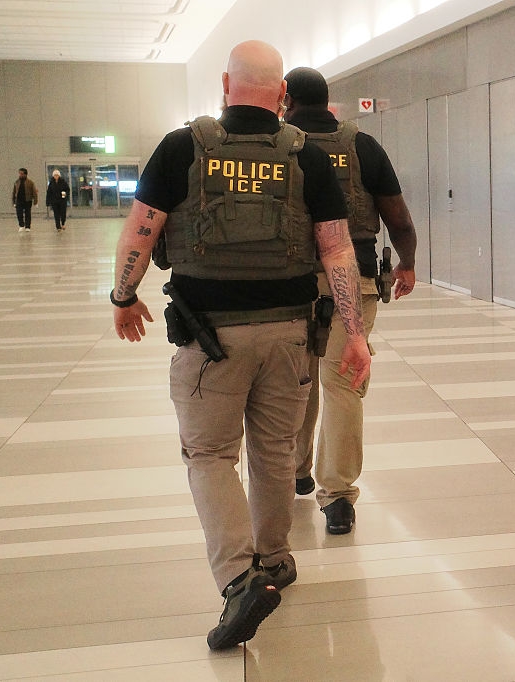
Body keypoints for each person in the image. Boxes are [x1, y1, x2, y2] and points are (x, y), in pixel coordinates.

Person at [109, 40, 371, 650]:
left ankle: (237, 579)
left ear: (226, 84)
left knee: (209, 455)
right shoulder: (304, 155)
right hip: (290, 333)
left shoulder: (183, 148)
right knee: (276, 452)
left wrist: (125, 295)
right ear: (280, 94)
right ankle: (275, 559)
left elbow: (142, 228)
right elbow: (337, 248)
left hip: (211, 338)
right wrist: (353, 333)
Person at [283, 66, 418, 535]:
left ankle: (295, 472)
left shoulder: (282, 146)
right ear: (328, 102)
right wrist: (407, 263)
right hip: (354, 281)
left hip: (295, 283)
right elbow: (397, 217)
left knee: (298, 382)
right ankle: (338, 497)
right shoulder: (362, 145)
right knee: (343, 384)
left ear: (288, 102)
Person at [12, 168, 38, 232]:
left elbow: (34, 192)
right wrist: (13, 201)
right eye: (19, 173)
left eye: (21, 174)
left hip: (27, 200)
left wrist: (35, 202)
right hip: (19, 200)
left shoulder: (30, 182)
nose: (20, 175)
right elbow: (14, 192)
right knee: (19, 213)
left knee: (27, 214)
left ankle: (27, 226)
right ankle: (21, 225)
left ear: (25, 174)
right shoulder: (16, 182)